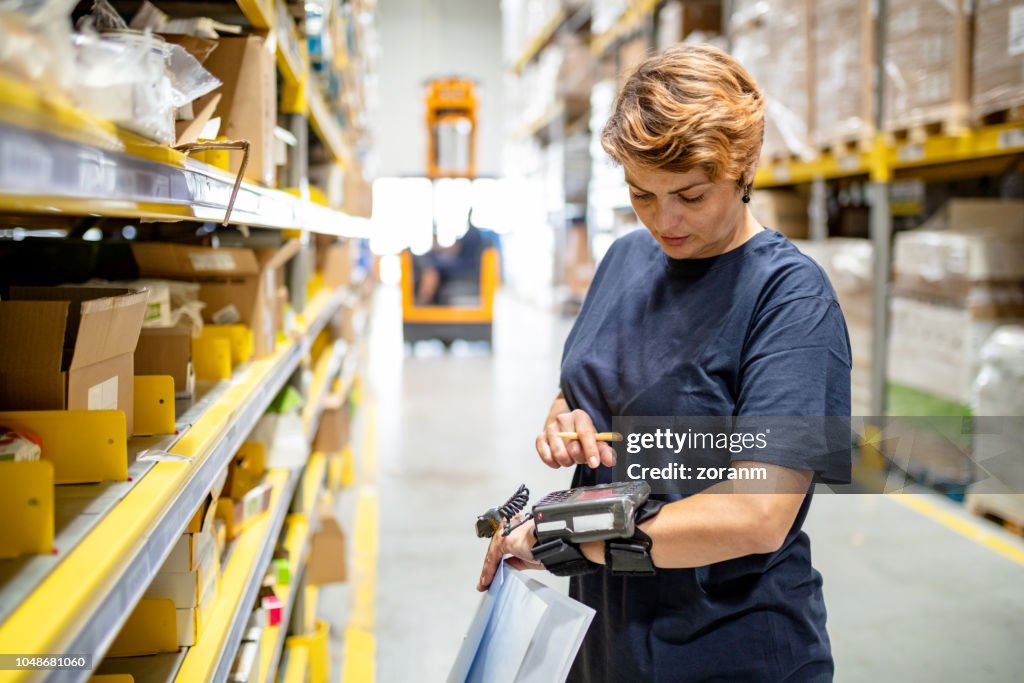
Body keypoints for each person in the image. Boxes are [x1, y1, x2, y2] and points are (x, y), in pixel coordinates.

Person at [477, 43, 851, 682]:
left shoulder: (789, 298)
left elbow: (755, 515)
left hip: (725, 647)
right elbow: (585, 389)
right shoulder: (624, 259)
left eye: (691, 194)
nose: (665, 220)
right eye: (641, 194)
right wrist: (566, 421)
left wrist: (566, 534)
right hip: (606, 636)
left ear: (744, 168)